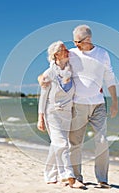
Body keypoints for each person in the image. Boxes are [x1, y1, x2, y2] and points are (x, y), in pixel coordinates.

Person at [39, 25, 118, 188]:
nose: (74, 45)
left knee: (102, 141)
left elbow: (110, 78)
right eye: (73, 41)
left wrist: (115, 102)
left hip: (98, 104)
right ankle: (76, 176)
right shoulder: (72, 54)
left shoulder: (102, 55)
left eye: (77, 41)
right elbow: (52, 68)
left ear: (87, 40)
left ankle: (102, 179)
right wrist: (41, 79)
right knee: (75, 143)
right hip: (77, 105)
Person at [37, 41, 84, 188]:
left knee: (56, 144)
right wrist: (40, 118)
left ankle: (49, 175)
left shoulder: (71, 70)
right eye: (63, 49)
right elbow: (43, 97)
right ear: (56, 54)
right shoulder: (49, 73)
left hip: (67, 113)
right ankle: (68, 177)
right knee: (62, 144)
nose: (67, 51)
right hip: (53, 113)